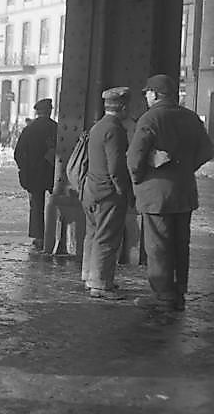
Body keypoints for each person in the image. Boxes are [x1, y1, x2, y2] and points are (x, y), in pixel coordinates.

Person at [127, 74, 213, 311]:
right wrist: (184, 167)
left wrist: (139, 179)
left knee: (158, 245)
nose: (146, 96)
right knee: (180, 243)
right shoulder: (190, 117)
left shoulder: (150, 118)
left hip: (157, 195)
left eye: (147, 93)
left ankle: (162, 295)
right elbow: (207, 150)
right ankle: (178, 292)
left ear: (155, 94)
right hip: (184, 193)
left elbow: (134, 159)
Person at [80, 87, 133, 299]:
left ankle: (89, 276)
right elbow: (116, 167)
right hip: (107, 194)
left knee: (92, 234)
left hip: (91, 190)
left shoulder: (98, 126)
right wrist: (124, 191)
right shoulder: (115, 129)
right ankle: (101, 285)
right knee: (108, 238)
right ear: (124, 106)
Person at [14, 98, 58, 251]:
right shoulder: (56, 127)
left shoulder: (29, 129)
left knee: (36, 206)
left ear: (37, 112)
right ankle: (56, 235)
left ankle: (38, 237)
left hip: (34, 174)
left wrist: (24, 168)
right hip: (52, 172)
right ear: (50, 111)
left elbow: (18, 153)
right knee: (56, 204)